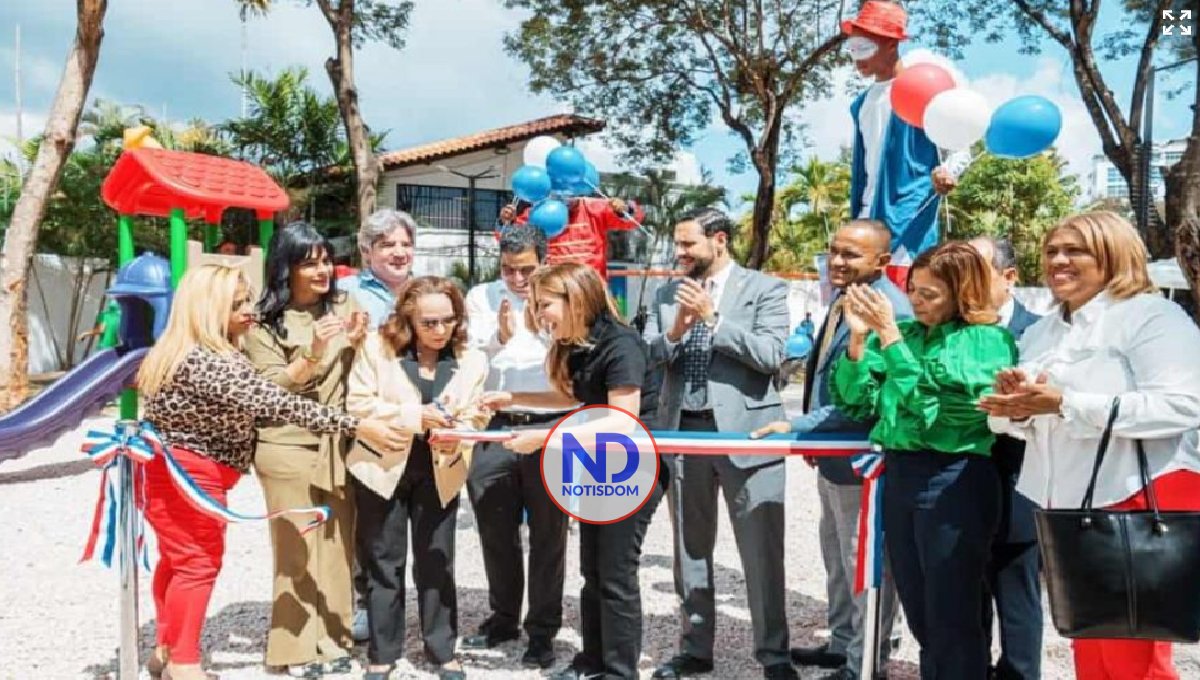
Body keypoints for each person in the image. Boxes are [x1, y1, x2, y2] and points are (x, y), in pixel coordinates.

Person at [136, 264, 405, 680]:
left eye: (247, 300)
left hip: (174, 471)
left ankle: (168, 649)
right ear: (208, 309)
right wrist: (356, 425)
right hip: (189, 474)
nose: (250, 310)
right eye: (237, 304)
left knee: (177, 562)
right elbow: (277, 403)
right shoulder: (206, 362)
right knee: (197, 565)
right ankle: (185, 663)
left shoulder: (189, 350)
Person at [980, 212, 1200, 680]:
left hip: (1137, 498)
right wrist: (1016, 407)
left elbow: (1185, 404)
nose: (1058, 260)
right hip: (1069, 508)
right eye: (1051, 250)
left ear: (1112, 253)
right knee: (1092, 645)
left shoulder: (1151, 316)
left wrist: (1066, 403)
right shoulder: (1043, 331)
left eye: (1073, 250)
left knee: (1134, 658)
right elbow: (1031, 422)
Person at [831, 242, 1017, 678]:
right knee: (920, 613)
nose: (915, 300)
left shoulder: (986, 341)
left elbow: (938, 413)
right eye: (913, 289)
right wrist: (859, 339)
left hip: (954, 479)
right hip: (902, 475)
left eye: (929, 294)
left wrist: (891, 341)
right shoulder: (910, 333)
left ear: (962, 293)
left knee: (953, 614)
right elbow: (860, 402)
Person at [479, 262, 667, 680]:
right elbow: (570, 396)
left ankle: (620, 671)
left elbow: (623, 420)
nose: (540, 314)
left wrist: (545, 441)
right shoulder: (576, 343)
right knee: (593, 571)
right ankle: (591, 661)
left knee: (616, 573)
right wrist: (511, 397)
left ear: (574, 297)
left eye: (545, 304)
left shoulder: (621, 344)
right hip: (599, 462)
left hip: (634, 466)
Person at [643, 208, 796, 680]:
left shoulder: (764, 289)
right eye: (677, 243)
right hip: (683, 431)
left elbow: (772, 355)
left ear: (720, 241)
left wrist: (713, 320)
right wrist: (678, 329)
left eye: (688, 244)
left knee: (761, 552)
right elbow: (649, 355)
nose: (679, 253)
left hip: (747, 434)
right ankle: (695, 649)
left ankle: (774, 656)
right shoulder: (665, 293)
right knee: (690, 550)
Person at [752, 220, 909, 680]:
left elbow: (862, 400)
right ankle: (843, 645)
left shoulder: (887, 310)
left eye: (851, 255)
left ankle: (866, 660)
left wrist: (798, 425)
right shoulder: (846, 298)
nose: (837, 262)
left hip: (861, 459)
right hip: (833, 458)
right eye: (834, 251)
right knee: (839, 563)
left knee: (865, 567)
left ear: (881, 262)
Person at [346, 276, 490, 680]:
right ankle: (382, 653)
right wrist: (415, 417)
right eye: (429, 322)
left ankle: (442, 650)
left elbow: (476, 413)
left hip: (440, 467)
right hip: (381, 468)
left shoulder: (472, 357)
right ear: (408, 318)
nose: (440, 330)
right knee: (382, 562)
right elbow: (357, 404)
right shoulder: (377, 347)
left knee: (437, 561)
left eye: (448, 320)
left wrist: (467, 423)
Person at [243, 222, 369, 678]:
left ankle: (334, 643)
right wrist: (313, 352)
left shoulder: (344, 304)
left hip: (338, 444)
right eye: (308, 262)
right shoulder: (262, 323)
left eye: (324, 260)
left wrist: (360, 341)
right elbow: (268, 388)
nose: (321, 270)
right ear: (285, 268)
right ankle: (294, 650)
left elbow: (363, 368)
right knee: (297, 546)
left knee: (338, 545)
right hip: (285, 444)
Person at [460, 224, 569, 669]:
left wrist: (537, 329)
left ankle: (542, 630)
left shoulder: (562, 295)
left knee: (549, 532)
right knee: (494, 525)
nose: (517, 279)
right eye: (508, 269)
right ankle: (503, 616)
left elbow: (570, 353)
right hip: (496, 425)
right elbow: (469, 354)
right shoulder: (480, 297)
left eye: (525, 270)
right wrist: (500, 337)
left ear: (542, 260)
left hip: (551, 424)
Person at [967, 236, 1042, 680]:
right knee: (967, 604)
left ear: (1008, 277)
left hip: (1020, 490)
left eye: (976, 269)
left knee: (1018, 601)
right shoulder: (948, 330)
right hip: (958, 493)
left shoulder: (1040, 332)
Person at [842, 1, 966, 256]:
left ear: (891, 45)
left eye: (865, 48)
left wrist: (949, 172)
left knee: (906, 293)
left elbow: (959, 146)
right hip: (866, 222)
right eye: (852, 48)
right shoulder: (861, 105)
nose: (857, 58)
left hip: (910, 223)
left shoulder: (923, 89)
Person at [498, 195, 643, 279]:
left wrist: (625, 209)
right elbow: (508, 240)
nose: (567, 195)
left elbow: (632, 221)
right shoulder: (538, 213)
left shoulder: (594, 207)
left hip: (589, 290)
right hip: (553, 289)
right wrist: (506, 222)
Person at [340, 209, 417, 328]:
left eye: (406, 245)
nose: (400, 254)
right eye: (388, 245)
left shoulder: (429, 292)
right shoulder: (345, 290)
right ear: (366, 251)